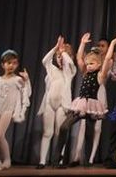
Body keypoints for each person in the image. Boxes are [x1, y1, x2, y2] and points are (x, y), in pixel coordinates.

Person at [54, 33, 116, 168]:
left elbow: (107, 60)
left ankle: (87, 161)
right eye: (87, 63)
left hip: (92, 105)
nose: (88, 66)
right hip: (81, 103)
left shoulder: (100, 75)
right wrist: (82, 43)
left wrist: (112, 44)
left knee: (89, 133)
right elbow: (79, 58)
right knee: (64, 126)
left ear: (98, 64)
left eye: (91, 63)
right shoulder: (85, 72)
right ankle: (57, 157)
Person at [0, 49, 31, 170]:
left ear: (17, 64)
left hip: (8, 110)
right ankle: (0, 160)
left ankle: (7, 160)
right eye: (8, 63)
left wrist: (26, 80)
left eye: (14, 63)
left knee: (0, 135)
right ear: (2, 65)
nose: (11, 66)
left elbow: (27, 92)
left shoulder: (17, 79)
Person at [36, 36, 76, 169]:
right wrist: (55, 48)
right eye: (58, 57)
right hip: (49, 103)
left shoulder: (69, 72)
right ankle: (42, 161)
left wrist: (64, 52)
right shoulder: (51, 69)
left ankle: (59, 161)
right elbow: (44, 60)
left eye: (63, 56)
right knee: (47, 132)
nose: (60, 59)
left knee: (60, 132)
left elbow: (70, 63)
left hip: (62, 105)